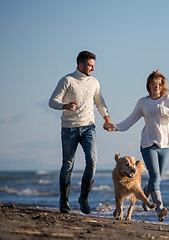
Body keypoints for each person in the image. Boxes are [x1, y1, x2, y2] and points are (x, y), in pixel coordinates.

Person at [113, 70, 169, 222]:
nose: (156, 87)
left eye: (159, 84)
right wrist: (115, 127)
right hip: (147, 143)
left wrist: (166, 111)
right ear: (148, 85)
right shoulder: (143, 102)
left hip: (165, 143)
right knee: (156, 176)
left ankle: (145, 192)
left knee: (157, 177)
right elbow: (130, 120)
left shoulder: (167, 99)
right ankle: (159, 209)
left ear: (162, 85)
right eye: (153, 84)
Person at [49, 51, 115, 214]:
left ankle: (83, 197)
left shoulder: (94, 82)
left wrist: (106, 118)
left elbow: (100, 102)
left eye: (93, 65)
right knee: (67, 165)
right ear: (81, 65)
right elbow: (52, 101)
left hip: (88, 127)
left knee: (92, 162)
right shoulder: (67, 80)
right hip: (69, 128)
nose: (93, 68)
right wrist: (64, 106)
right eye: (90, 65)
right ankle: (64, 200)